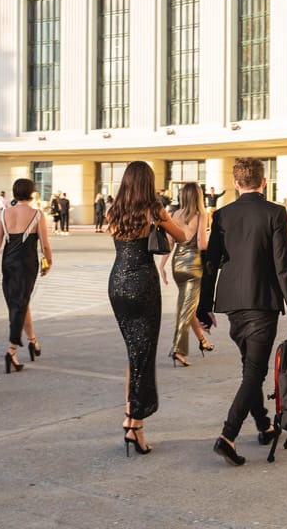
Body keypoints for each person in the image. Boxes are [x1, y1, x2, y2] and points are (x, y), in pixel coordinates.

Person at [197, 157, 287, 466]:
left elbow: (210, 265)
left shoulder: (222, 215)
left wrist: (205, 307)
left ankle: (263, 425)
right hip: (262, 303)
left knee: (250, 368)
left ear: (235, 184)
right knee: (253, 373)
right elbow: (283, 265)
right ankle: (227, 436)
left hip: (232, 304)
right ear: (264, 181)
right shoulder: (275, 213)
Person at [106, 161, 185, 456]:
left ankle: (130, 415)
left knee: (134, 351)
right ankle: (135, 425)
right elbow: (182, 237)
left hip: (117, 283)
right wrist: (163, 222)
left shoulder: (113, 210)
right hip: (143, 283)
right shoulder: (154, 210)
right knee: (144, 353)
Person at [0, 178, 53, 373]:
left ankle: (33, 342)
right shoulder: (37, 215)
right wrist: (48, 261)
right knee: (20, 304)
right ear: (31, 192)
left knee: (20, 303)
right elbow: (44, 243)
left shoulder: (4, 213)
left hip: (8, 263)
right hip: (27, 263)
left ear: (14, 192)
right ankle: (11, 350)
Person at [158, 182, 213, 367]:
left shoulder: (174, 215)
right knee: (186, 308)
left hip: (177, 265)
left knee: (186, 307)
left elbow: (170, 242)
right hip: (193, 266)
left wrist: (162, 266)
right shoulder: (200, 215)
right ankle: (178, 350)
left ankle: (203, 341)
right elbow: (201, 244)